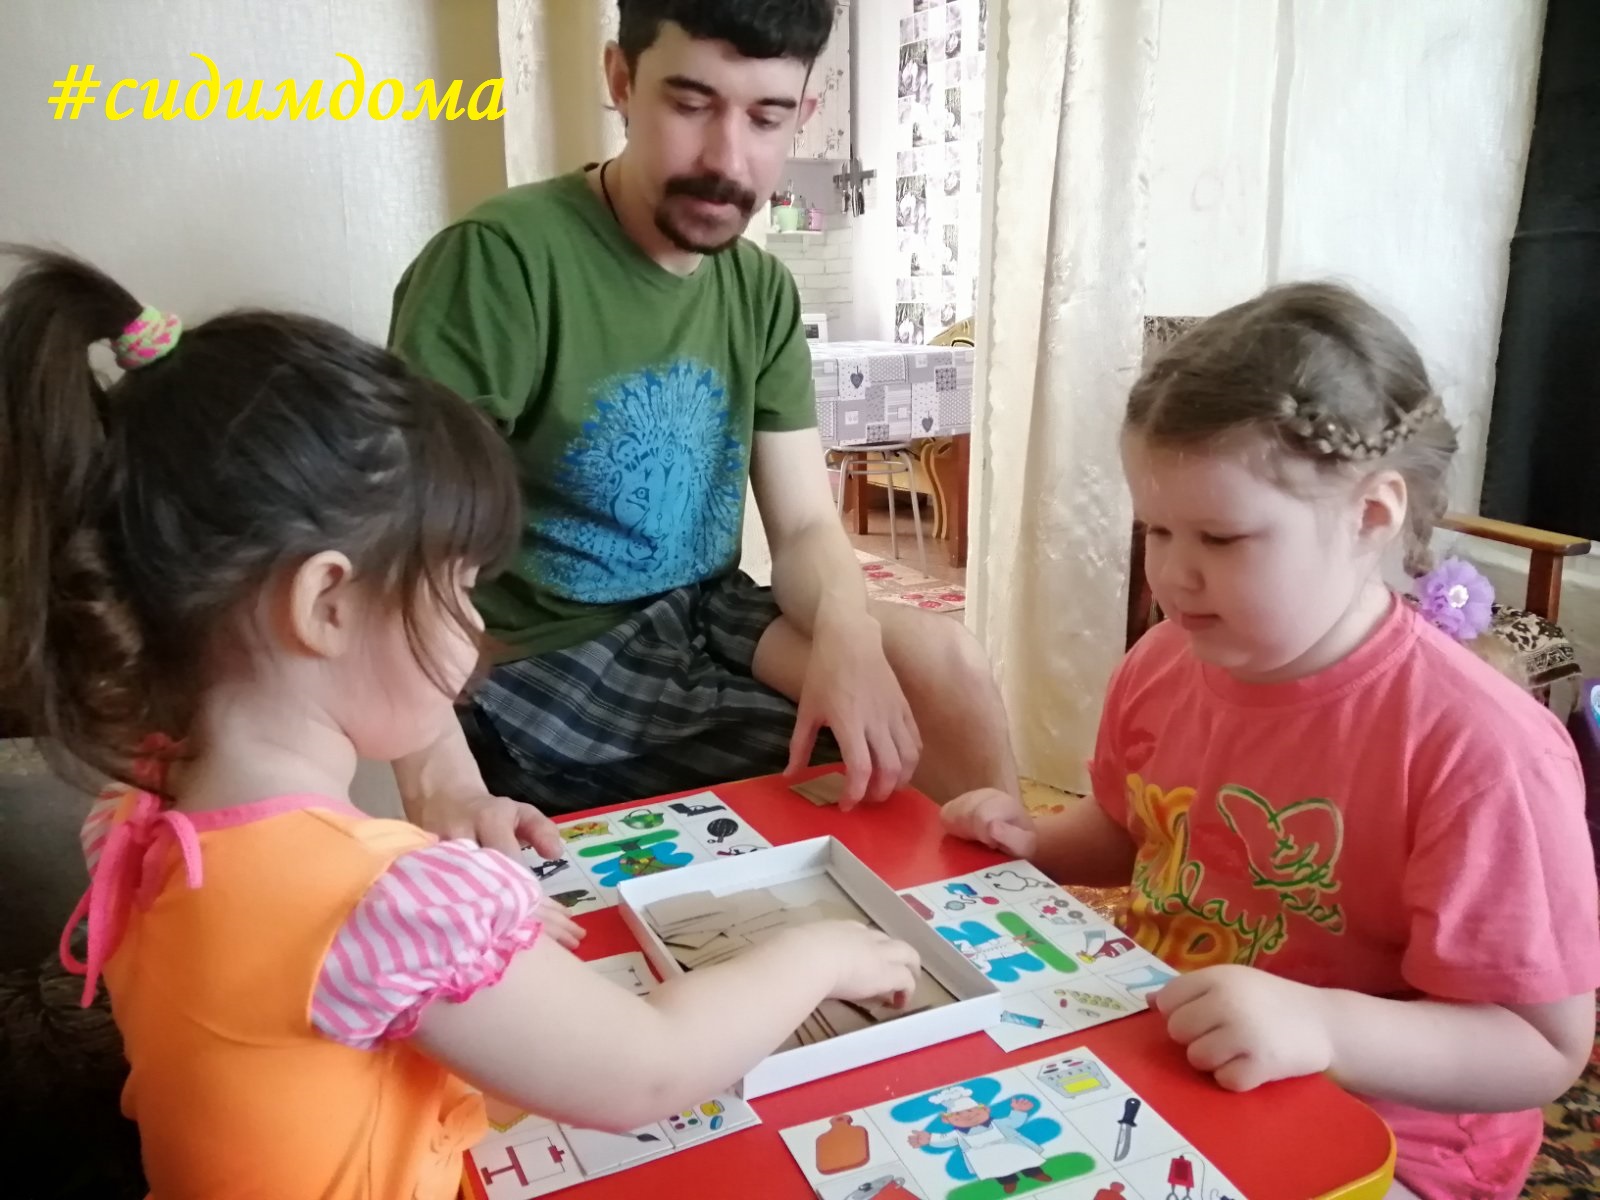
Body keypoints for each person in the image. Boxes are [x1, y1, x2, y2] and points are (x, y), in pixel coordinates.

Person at [0, 246, 921, 1198]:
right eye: (457, 588)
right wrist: (820, 954)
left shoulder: (139, 817)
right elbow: (649, 1070)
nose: (476, 628)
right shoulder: (376, 903)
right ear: (326, 605)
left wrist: (474, 938)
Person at [940, 282, 1600, 1200]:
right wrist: (1033, 841)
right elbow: (1130, 835)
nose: (1172, 574)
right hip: (1168, 1040)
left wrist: (1323, 1028)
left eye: (1221, 537)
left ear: (1372, 516)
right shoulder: (1164, 662)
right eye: (1157, 530)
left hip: (1384, 1135)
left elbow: (1541, 1045)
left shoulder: (1483, 752)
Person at [385, 0, 1018, 853]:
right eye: (690, 104)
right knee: (836, 783)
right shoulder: (500, 262)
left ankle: (1020, 896)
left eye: (767, 117)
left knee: (946, 671)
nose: (727, 159)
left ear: (803, 112)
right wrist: (438, 780)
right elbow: (404, 548)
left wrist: (849, 633)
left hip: (706, 616)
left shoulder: (760, 289)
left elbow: (804, 524)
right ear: (621, 80)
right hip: (555, 654)